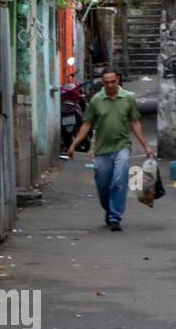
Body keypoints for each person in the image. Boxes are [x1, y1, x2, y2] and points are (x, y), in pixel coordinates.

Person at [64, 67, 154, 231]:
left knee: (119, 180)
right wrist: (73, 144)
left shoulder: (127, 98)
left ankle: (114, 216)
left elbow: (135, 123)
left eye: (113, 82)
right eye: (107, 83)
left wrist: (146, 146)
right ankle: (109, 208)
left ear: (118, 80)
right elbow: (87, 124)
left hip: (122, 146)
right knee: (103, 185)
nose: (110, 85)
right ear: (102, 83)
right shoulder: (97, 100)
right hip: (102, 150)